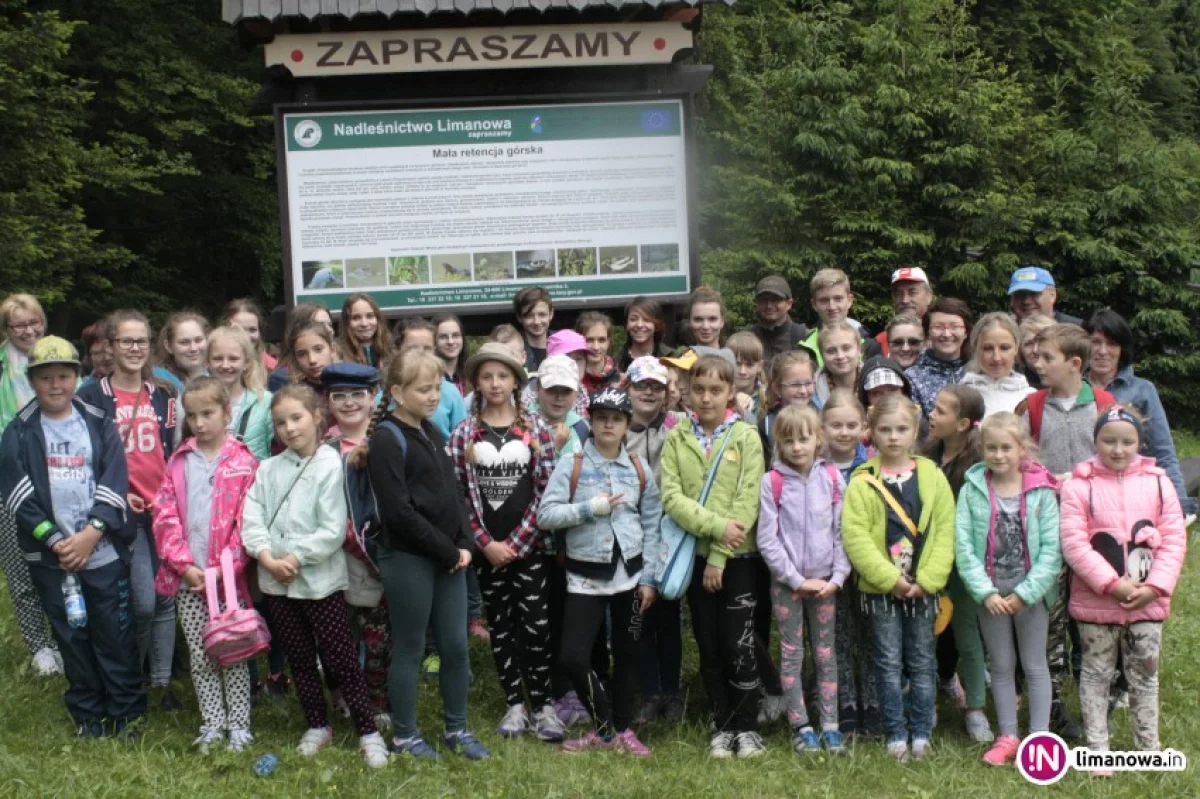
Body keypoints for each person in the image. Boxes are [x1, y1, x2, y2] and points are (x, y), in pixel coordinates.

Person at [0, 336, 143, 737]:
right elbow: (16, 492)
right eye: (46, 378)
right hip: (52, 556)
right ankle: (88, 713)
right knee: (71, 635)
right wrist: (54, 540)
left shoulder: (97, 420)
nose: (56, 385)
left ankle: (127, 712)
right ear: (33, 381)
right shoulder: (19, 430)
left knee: (114, 633)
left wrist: (91, 532)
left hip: (101, 552)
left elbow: (115, 477)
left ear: (76, 376)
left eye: (64, 376)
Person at [240, 385, 388, 768]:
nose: (289, 428)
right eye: (280, 422)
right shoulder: (268, 469)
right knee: (301, 659)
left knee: (341, 659)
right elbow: (251, 517)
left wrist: (295, 557)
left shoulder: (331, 465)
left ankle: (368, 731)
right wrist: (267, 557)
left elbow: (332, 529)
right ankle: (317, 724)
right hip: (277, 583)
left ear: (316, 417)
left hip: (319, 584)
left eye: (296, 418)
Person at [361, 350, 490, 761]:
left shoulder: (433, 431)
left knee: (455, 645)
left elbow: (453, 496)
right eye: (423, 389)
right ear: (397, 392)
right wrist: (447, 550)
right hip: (408, 558)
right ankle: (405, 736)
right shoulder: (386, 438)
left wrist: (467, 544)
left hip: (449, 558)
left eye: (437, 387)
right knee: (412, 647)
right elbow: (398, 511)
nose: (434, 395)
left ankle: (457, 728)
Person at [538, 386, 662, 756]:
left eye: (617, 419)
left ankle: (621, 730)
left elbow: (652, 522)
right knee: (573, 656)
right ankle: (606, 723)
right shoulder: (572, 463)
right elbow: (546, 515)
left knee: (628, 653)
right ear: (591, 421)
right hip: (584, 576)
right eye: (602, 417)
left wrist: (650, 577)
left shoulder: (638, 468)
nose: (609, 424)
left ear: (626, 425)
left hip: (631, 576)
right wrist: (588, 508)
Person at [1060, 406, 1186, 767]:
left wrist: (1156, 586)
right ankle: (1097, 748)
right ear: (1096, 439)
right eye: (1109, 440)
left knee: (1145, 675)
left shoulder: (1159, 482)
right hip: (1097, 602)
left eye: (1127, 441)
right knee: (1096, 675)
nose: (1118, 449)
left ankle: (1149, 748)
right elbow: (1075, 543)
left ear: (1139, 442)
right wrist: (1110, 584)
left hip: (1147, 603)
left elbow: (1174, 537)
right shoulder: (1078, 486)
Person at [450, 343, 562, 741]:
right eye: (486, 376)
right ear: (476, 382)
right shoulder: (464, 433)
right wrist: (486, 543)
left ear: (516, 380)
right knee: (501, 625)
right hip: (488, 552)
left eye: (503, 376)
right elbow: (459, 494)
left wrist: (517, 540)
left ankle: (544, 704)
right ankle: (514, 703)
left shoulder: (536, 429)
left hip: (529, 548)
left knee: (536, 625)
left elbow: (546, 490)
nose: (495, 384)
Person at [660, 355, 766, 758]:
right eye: (699, 389)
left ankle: (748, 725)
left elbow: (748, 498)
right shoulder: (677, 436)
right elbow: (672, 497)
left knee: (738, 643)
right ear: (688, 391)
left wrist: (722, 552)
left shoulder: (745, 437)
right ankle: (722, 723)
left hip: (737, 560)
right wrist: (714, 527)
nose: (706, 397)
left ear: (730, 393)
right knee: (708, 644)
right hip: (695, 556)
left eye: (715, 390)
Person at [840, 395, 956, 762]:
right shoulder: (862, 481)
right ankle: (895, 733)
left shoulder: (932, 476)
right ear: (871, 434)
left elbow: (944, 530)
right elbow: (855, 536)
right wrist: (890, 579)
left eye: (901, 429)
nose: (893, 437)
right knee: (887, 662)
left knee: (922, 660)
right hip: (881, 589)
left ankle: (921, 732)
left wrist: (929, 580)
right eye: (885, 430)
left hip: (924, 588)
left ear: (915, 432)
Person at [77, 309, 180, 711]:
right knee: (142, 602)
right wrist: (116, 496)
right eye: (126, 341)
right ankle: (129, 676)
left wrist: (171, 499)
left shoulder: (164, 395)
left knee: (166, 598)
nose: (135, 348)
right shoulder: (91, 396)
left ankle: (162, 681)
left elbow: (171, 450)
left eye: (141, 341)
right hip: (121, 511)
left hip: (163, 509)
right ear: (110, 346)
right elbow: (86, 458)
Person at [1018, 323, 1115, 741]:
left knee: (1094, 616)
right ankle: (1053, 703)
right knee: (1052, 619)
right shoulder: (1032, 406)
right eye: (1036, 355)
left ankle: (1102, 697)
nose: (1037, 363)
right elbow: (1019, 464)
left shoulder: (1106, 404)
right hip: (1048, 532)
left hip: (1098, 534)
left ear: (1074, 363)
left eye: (1046, 358)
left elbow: (1121, 460)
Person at [151, 376, 258, 752]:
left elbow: (247, 521)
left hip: (229, 583)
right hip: (190, 581)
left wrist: (223, 570)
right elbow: (165, 515)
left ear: (227, 413)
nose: (199, 422)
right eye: (192, 415)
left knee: (233, 651)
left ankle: (240, 725)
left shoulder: (244, 462)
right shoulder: (179, 460)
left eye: (208, 413)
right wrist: (185, 566)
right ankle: (213, 722)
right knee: (201, 654)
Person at [955, 412, 1061, 766]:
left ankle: (1040, 737)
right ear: (981, 449)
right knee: (1000, 665)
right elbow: (964, 546)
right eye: (991, 448)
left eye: (1006, 448)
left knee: (1034, 664)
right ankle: (1008, 735)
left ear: (1022, 449)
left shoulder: (1042, 491)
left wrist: (1027, 593)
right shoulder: (971, 491)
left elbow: (1051, 550)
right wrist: (985, 592)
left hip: (1031, 596)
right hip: (991, 596)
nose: (998, 455)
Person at [757, 405, 849, 755]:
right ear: (778, 442)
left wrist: (838, 577)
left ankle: (830, 724)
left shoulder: (832, 478)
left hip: (827, 583)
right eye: (788, 440)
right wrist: (794, 579)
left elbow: (843, 532)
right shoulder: (772, 482)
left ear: (818, 440)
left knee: (826, 654)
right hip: (788, 586)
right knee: (792, 654)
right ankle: (801, 725)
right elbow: (768, 538)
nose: (797, 447)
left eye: (804, 438)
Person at [923, 385, 990, 741]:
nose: (931, 415)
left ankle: (976, 706)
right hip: (927, 561)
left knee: (965, 634)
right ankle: (926, 699)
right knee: (928, 633)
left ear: (963, 423)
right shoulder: (924, 454)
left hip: (964, 565)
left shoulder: (979, 466)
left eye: (940, 411)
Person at [0, 293, 61, 676]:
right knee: (19, 566)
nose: (29, 330)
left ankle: (65, 637)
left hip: (57, 477)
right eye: (19, 324)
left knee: (58, 562)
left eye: (34, 321)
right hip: (7, 482)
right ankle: (40, 647)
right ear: (6, 329)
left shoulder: (57, 360)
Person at [1086, 308, 1196, 515]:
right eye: (1095, 342)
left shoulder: (1142, 390)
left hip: (1132, 493)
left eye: (1111, 344)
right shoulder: (1072, 387)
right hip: (1085, 493)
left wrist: (1180, 505)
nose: (1102, 351)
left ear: (1122, 349)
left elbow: (1163, 451)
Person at [623, 357, 685, 724]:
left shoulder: (678, 427)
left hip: (669, 533)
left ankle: (672, 693)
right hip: (629, 535)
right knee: (638, 615)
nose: (648, 392)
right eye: (641, 385)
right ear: (628, 388)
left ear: (667, 393)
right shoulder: (616, 428)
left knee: (669, 616)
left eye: (656, 387)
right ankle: (648, 691)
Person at [821, 390, 877, 736]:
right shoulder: (814, 466)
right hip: (827, 567)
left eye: (851, 425)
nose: (844, 432)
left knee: (870, 634)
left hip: (867, 565)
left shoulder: (872, 466)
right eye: (836, 425)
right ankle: (845, 703)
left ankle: (872, 702)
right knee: (836, 635)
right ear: (822, 427)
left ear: (864, 426)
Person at [207, 326, 273, 461]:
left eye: (233, 359)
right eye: (218, 358)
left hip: (256, 480)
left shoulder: (265, 402)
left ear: (246, 363)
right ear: (207, 362)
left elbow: (277, 451)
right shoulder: (200, 402)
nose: (225, 365)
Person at [396, 318, 466, 442]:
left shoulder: (450, 392)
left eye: (427, 349)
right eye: (413, 349)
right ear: (397, 350)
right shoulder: (384, 395)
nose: (421, 354)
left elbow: (462, 440)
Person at [906, 297, 973, 418]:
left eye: (954, 327)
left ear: (966, 333)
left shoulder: (978, 371)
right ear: (928, 334)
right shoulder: (912, 377)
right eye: (938, 327)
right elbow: (914, 426)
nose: (947, 334)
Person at [800, 268, 881, 367]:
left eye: (838, 299)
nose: (832, 307)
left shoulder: (870, 346)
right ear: (814, 304)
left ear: (850, 300)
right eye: (824, 300)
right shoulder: (803, 348)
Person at [959, 312, 1035, 416]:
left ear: (1016, 348)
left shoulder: (1031, 398)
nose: (996, 357)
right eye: (988, 348)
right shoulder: (959, 397)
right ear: (976, 349)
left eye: (1004, 348)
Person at [757, 349, 818, 465]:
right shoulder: (767, 425)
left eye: (808, 383)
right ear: (777, 388)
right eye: (795, 385)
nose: (803, 391)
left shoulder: (821, 417)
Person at [268, 304, 336, 391]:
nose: (329, 330)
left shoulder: (340, 370)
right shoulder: (283, 379)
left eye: (329, 324)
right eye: (319, 325)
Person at [531, 355, 587, 459]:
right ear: (537, 388)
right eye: (552, 389)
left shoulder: (582, 428)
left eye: (566, 391)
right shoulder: (523, 424)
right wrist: (554, 447)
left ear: (576, 392)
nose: (559, 397)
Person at [748, 275, 808, 363]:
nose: (769, 306)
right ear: (756, 304)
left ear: (789, 304)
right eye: (763, 300)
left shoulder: (804, 338)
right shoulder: (747, 339)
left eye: (775, 300)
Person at [875, 268, 934, 356]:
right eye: (899, 294)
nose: (905, 300)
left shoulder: (941, 338)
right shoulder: (881, 341)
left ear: (929, 296)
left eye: (912, 292)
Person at [156, 311, 210, 394]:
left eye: (198, 340)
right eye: (184, 342)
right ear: (169, 346)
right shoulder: (159, 382)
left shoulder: (220, 375)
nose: (193, 348)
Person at [1008, 265, 1081, 325]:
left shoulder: (1076, 331)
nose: (1026, 301)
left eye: (1034, 293)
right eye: (1020, 294)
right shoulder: (1006, 333)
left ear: (1052, 295)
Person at [814, 321, 863, 408]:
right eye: (831, 351)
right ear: (822, 355)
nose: (840, 356)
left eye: (846, 348)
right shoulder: (812, 392)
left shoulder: (876, 384)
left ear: (859, 350)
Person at [618, 297, 673, 371]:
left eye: (646, 320)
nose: (639, 325)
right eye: (633, 319)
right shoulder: (616, 363)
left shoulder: (673, 358)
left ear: (656, 325)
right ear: (626, 324)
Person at [222, 298, 277, 371]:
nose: (247, 336)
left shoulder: (273, 368)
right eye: (240, 329)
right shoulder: (218, 366)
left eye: (252, 330)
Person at [339, 294, 392, 369]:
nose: (364, 323)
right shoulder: (338, 353)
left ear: (378, 318)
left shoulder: (392, 349)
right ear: (346, 322)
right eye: (356, 318)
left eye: (370, 316)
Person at [576, 312, 622, 394]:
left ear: (608, 342)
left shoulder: (621, 374)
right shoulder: (571, 375)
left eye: (602, 340)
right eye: (589, 340)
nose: (596, 347)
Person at [728, 331, 766, 421]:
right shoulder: (717, 397)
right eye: (737, 364)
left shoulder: (769, 399)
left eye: (749, 365)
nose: (742, 371)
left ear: (759, 366)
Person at [513, 287, 554, 371]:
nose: (537, 322)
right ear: (519, 317)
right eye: (529, 316)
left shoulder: (563, 346)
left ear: (551, 314)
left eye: (542, 314)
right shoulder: (511, 349)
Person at [1018, 313, 1054, 390]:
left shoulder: (1070, 384)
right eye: (1029, 344)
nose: (1035, 350)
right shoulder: (1011, 384)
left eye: (1042, 341)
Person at [433, 314, 467, 396]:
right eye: (443, 337)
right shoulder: (428, 378)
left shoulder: (473, 378)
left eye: (455, 335)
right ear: (434, 341)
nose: (450, 342)